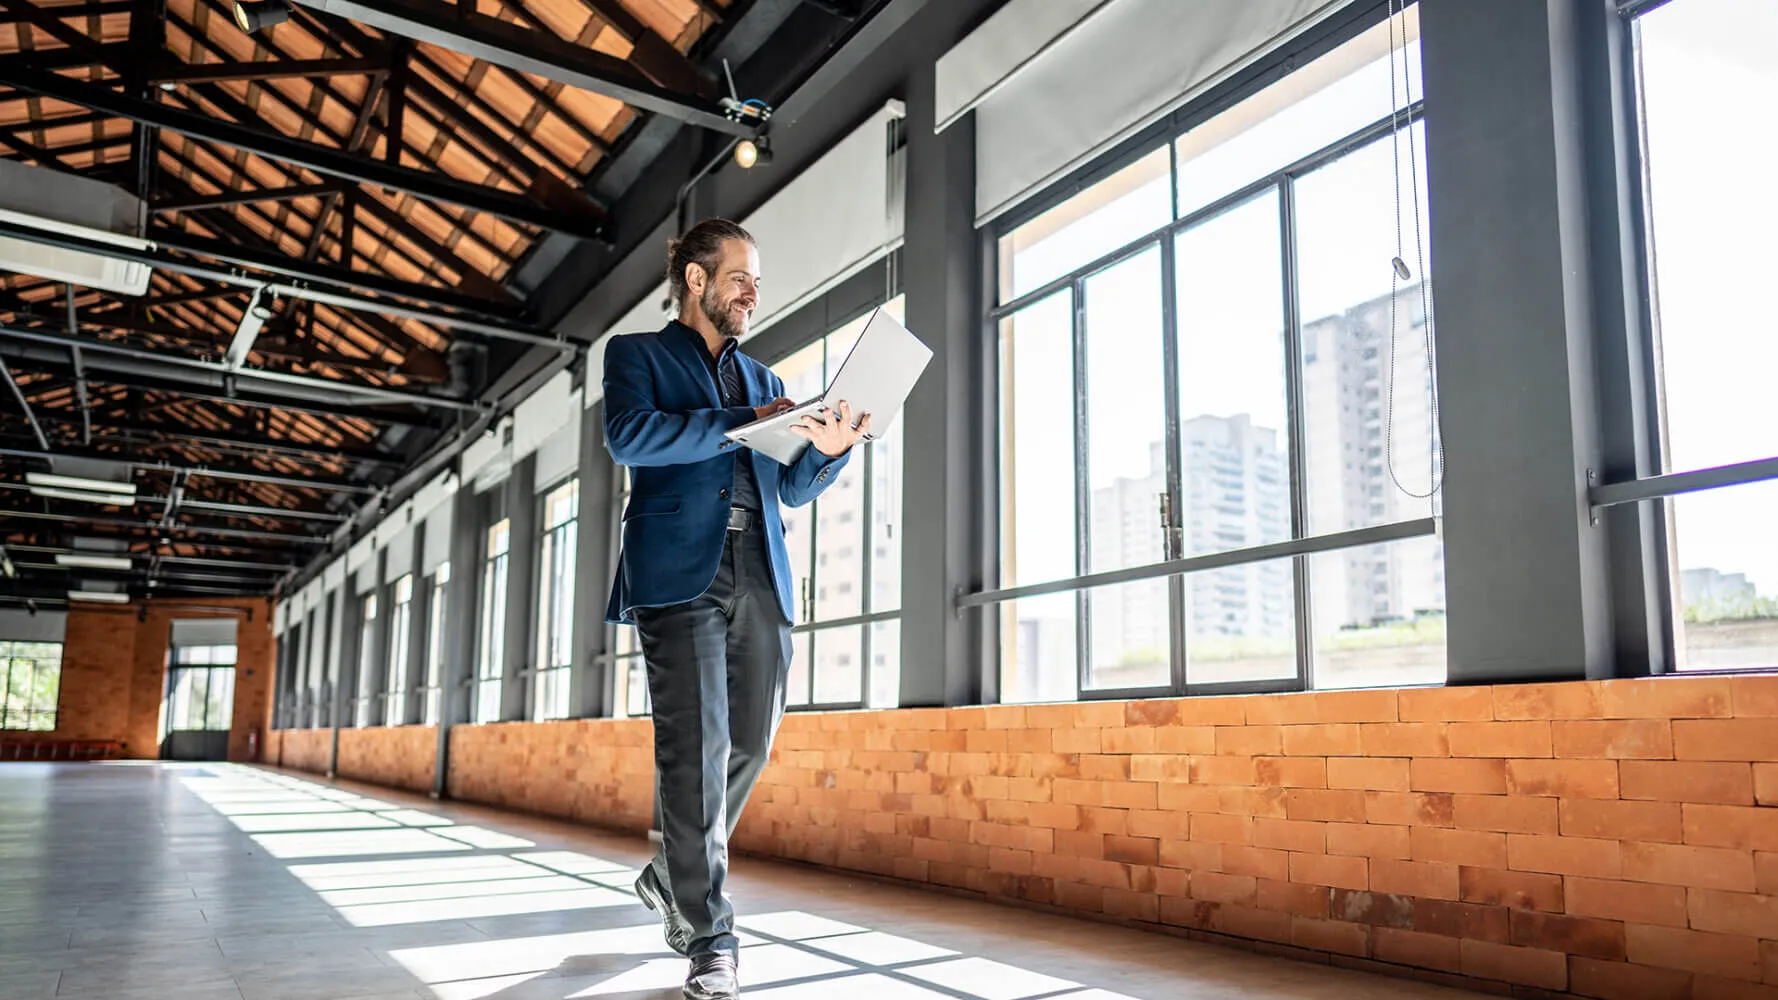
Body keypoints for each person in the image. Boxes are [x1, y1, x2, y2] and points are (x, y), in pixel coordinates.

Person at [602, 218, 869, 1000]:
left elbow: (787, 487)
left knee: (749, 740)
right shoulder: (638, 356)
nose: (753, 291)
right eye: (739, 277)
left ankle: (670, 873)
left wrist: (830, 446)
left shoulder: (763, 380)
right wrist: (739, 427)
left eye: (757, 279)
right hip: (677, 576)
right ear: (694, 279)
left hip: (761, 570)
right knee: (696, 751)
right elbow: (630, 437)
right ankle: (710, 937)